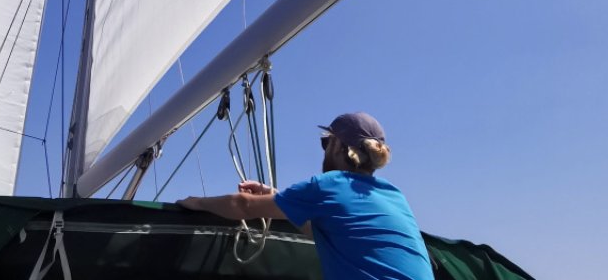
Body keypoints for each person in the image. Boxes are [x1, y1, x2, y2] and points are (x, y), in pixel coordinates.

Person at [177, 111, 432, 280]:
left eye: (326, 142)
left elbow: (242, 206)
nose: (324, 150)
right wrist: (276, 196)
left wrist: (195, 202)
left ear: (339, 147)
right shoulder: (394, 195)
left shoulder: (330, 185)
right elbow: (327, 231)